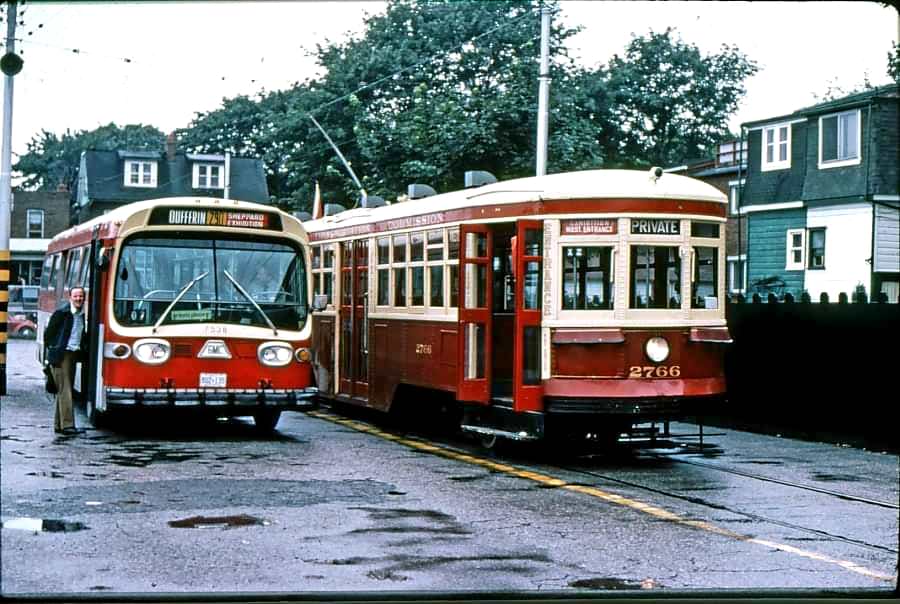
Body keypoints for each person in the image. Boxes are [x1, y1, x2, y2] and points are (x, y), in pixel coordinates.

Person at [43, 287, 88, 435]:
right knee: (66, 390)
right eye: (76, 296)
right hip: (61, 355)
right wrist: (54, 350)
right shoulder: (62, 313)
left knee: (63, 390)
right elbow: (48, 334)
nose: (78, 299)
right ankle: (68, 426)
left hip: (73, 354)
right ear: (70, 297)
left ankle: (59, 425)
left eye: (81, 296)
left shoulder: (81, 315)